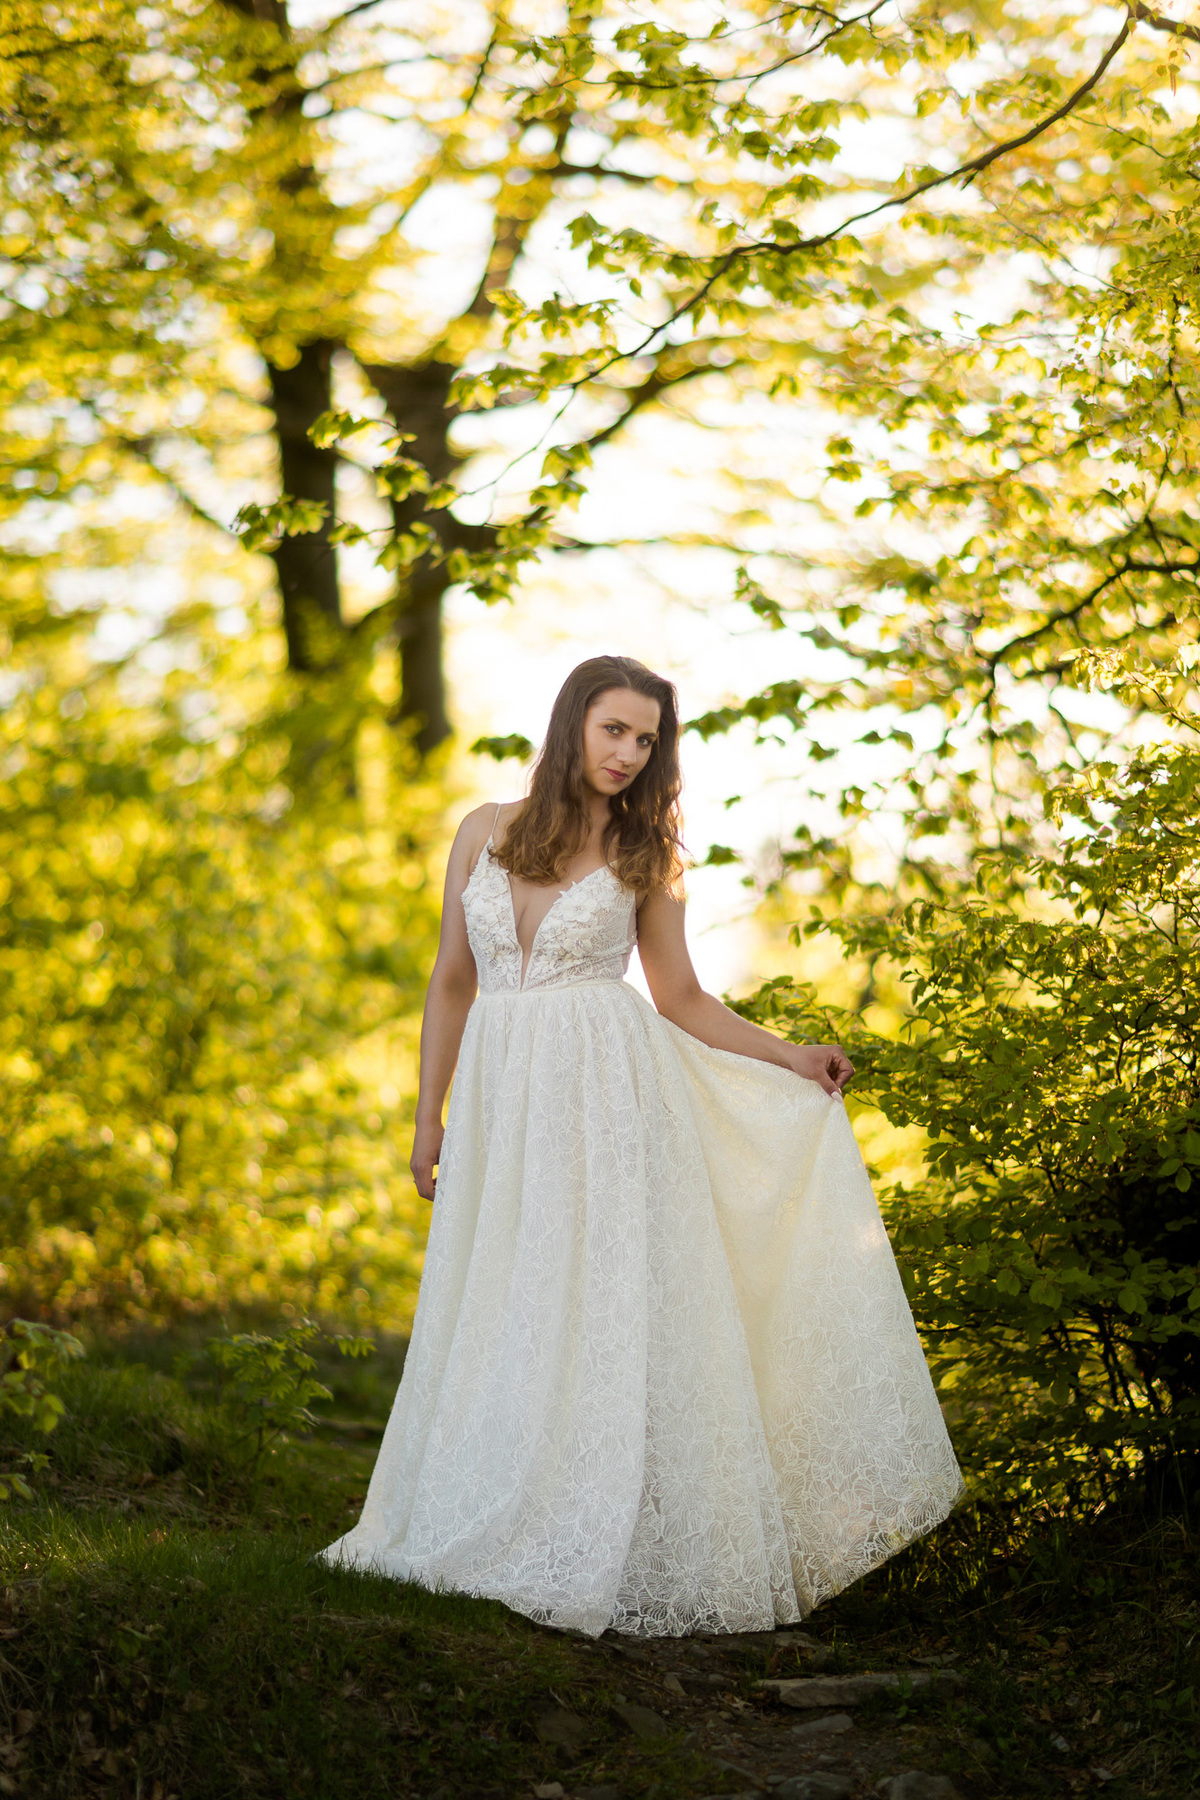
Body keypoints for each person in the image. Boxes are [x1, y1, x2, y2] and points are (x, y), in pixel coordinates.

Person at [322, 654, 962, 1636]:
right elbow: (452, 979)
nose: (629, 753)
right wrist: (427, 1116)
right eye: (614, 729)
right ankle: (485, 1502)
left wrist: (790, 1054)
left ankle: (602, 1530)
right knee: (506, 1295)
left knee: (598, 1303)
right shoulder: (481, 832)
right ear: (573, 720)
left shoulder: (645, 854)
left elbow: (683, 999)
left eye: (647, 740)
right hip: (502, 1099)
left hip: (602, 1099)